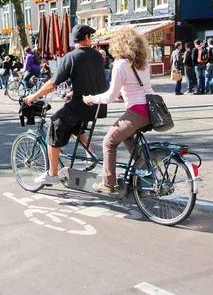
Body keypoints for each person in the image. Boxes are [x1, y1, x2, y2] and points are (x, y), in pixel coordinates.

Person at [24, 24, 107, 185]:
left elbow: (52, 84)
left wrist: (34, 96)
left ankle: (52, 173)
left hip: (81, 105)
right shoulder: (97, 56)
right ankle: (90, 155)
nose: (92, 39)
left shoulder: (71, 57)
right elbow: (91, 79)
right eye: (90, 36)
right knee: (74, 126)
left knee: (55, 124)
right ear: (86, 38)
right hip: (98, 106)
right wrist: (72, 93)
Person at [82, 28, 154, 193]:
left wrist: (90, 99)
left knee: (109, 142)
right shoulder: (143, 62)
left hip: (136, 113)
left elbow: (109, 96)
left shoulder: (121, 64)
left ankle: (108, 183)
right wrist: (124, 93)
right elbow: (140, 87)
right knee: (128, 137)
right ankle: (143, 171)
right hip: (149, 111)